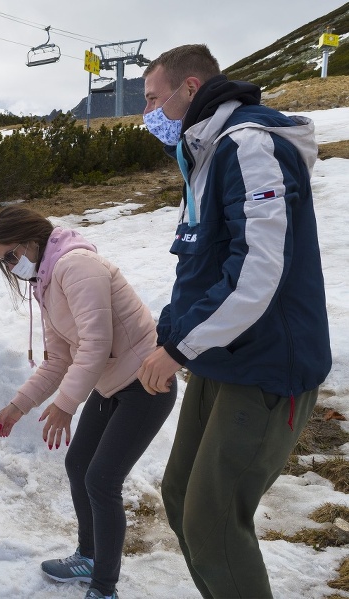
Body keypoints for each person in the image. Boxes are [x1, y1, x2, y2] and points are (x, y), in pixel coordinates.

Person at [137, 44, 331, 599]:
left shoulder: (249, 145)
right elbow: (200, 266)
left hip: (269, 364)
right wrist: (173, 333)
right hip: (221, 359)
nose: (148, 113)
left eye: (154, 99)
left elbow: (258, 273)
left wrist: (177, 351)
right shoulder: (202, 155)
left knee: (214, 522)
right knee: (179, 497)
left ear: (190, 88)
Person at [0, 205, 175, 599]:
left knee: (102, 480)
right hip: (111, 385)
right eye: (1, 260)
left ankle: (104, 588)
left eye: (10, 255)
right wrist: (18, 405)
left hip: (146, 384)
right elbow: (59, 360)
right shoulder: (46, 279)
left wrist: (66, 404)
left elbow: (96, 344)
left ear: (31, 242)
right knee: (79, 464)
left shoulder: (76, 266)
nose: (9, 266)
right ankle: (89, 556)